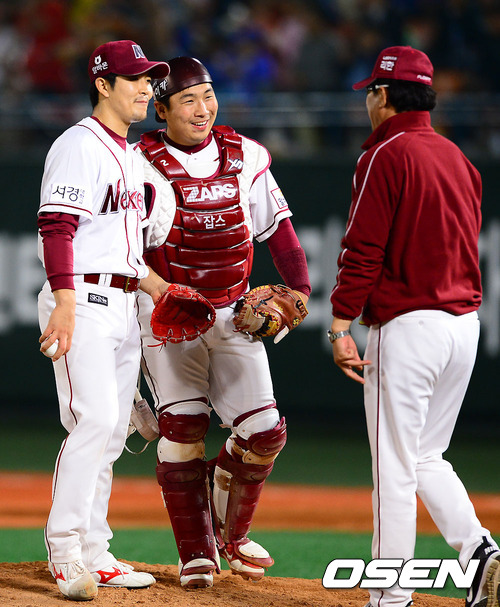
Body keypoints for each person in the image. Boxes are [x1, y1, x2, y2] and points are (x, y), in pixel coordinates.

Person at [328, 45, 500, 607]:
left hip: (410, 327)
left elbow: (363, 250)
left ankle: (390, 597)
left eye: (370, 93)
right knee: (426, 456)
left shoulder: (386, 153)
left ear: (382, 95)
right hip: (464, 326)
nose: (368, 103)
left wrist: (340, 324)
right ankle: (479, 552)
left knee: (395, 471)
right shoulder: (459, 157)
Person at [135, 56, 311, 589]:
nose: (202, 108)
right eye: (187, 99)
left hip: (234, 315)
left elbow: (280, 233)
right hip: (168, 318)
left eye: (208, 95)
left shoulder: (246, 155)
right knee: (183, 428)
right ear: (161, 109)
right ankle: (196, 553)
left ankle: (231, 531)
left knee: (266, 433)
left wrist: (299, 292)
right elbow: (123, 250)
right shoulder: (135, 164)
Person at [37, 40, 171, 601]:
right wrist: (64, 302)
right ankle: (65, 551)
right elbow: (57, 227)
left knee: (113, 431)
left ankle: (96, 550)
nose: (146, 88)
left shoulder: (129, 155)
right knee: (92, 420)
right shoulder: (78, 144)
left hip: (121, 302)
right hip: (82, 300)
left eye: (148, 79)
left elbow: (122, 250)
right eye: (134, 78)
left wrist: (159, 288)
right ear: (103, 84)